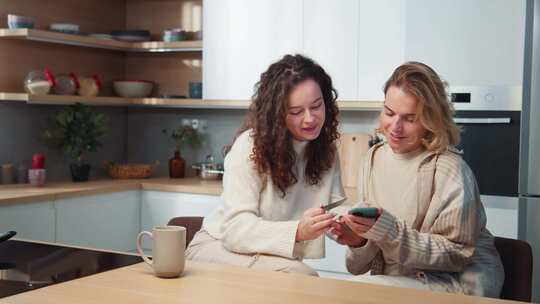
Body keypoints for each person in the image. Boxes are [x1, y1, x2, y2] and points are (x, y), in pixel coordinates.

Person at [329, 62, 504, 297]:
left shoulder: (450, 170)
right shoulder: (373, 158)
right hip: (401, 280)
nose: (395, 127)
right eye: (389, 113)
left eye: (410, 119)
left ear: (431, 120)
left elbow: (457, 255)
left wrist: (388, 230)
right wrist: (358, 240)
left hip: (457, 285)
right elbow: (367, 256)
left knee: (354, 296)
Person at [186, 54, 346, 276]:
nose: (310, 119)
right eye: (296, 112)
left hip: (266, 255)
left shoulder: (325, 150)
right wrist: (299, 231)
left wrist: (350, 223)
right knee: (301, 276)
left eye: (317, 106)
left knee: (300, 277)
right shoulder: (249, 147)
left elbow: (328, 211)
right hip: (214, 248)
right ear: (277, 115)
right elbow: (236, 230)